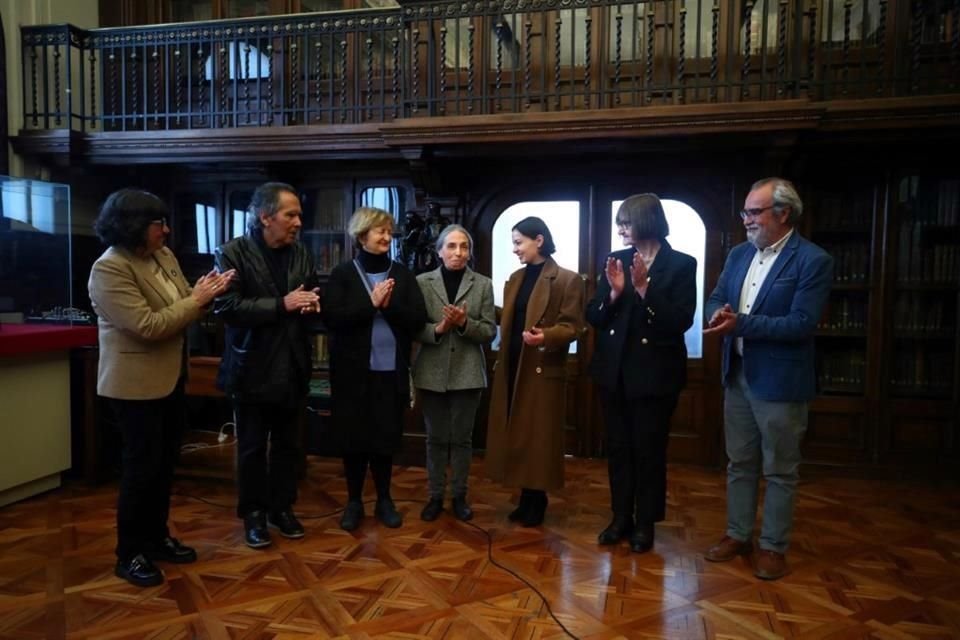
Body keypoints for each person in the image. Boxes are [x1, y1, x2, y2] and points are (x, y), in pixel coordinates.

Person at [88, 188, 234, 587]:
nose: (167, 231)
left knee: (164, 465)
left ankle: (155, 539)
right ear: (133, 224)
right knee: (140, 471)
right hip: (133, 388)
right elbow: (149, 327)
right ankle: (129, 552)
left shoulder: (162, 256)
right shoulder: (110, 269)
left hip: (170, 379)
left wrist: (205, 292)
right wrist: (196, 299)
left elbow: (182, 302)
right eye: (159, 224)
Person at [703, 177, 833, 580]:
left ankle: (774, 547)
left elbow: (800, 323)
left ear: (784, 213)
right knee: (739, 462)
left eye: (755, 212)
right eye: (745, 212)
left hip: (780, 382)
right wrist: (715, 314)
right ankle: (738, 534)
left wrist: (740, 324)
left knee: (779, 469)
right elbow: (716, 295)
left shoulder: (812, 260)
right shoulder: (739, 253)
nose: (747, 220)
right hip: (737, 375)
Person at [586, 194, 697, 553]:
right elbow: (595, 317)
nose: (619, 229)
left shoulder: (681, 264)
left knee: (648, 450)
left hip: (655, 376)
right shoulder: (614, 260)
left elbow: (680, 321)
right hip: (614, 373)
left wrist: (645, 289)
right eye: (619, 223)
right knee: (618, 449)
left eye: (626, 222)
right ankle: (620, 517)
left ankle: (645, 522)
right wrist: (615, 294)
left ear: (647, 221)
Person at [214, 182, 321, 549]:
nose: (298, 222)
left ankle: (282, 508)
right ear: (265, 217)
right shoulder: (231, 253)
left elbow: (310, 293)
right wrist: (283, 305)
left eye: (299, 215)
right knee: (253, 448)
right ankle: (254, 515)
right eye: (291, 214)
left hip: (293, 365)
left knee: (289, 447)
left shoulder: (302, 254)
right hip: (251, 368)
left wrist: (312, 306)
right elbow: (226, 308)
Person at [323, 207, 427, 531]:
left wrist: (388, 304)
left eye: (388, 231)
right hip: (352, 375)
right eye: (379, 231)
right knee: (353, 440)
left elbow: (417, 320)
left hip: (390, 371)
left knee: (384, 438)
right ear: (361, 236)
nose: (386, 237)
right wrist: (370, 305)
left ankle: (384, 498)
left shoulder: (403, 274)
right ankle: (354, 501)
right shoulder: (342, 274)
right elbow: (333, 320)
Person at [485, 216, 584, 527]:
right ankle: (526, 497)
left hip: (542, 367)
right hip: (513, 365)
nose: (515, 249)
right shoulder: (515, 278)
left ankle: (537, 499)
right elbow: (512, 319)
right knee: (517, 433)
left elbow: (573, 326)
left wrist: (547, 337)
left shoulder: (567, 279)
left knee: (537, 438)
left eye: (518, 242)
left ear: (539, 240)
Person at [412, 224, 497, 522]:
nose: (458, 252)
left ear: (470, 252)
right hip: (431, 371)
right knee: (435, 438)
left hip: (468, 373)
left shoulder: (483, 284)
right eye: (451, 246)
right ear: (439, 252)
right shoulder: (422, 283)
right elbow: (412, 327)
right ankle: (435, 496)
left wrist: (463, 324)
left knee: (461, 439)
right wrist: (439, 328)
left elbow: (489, 331)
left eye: (464, 247)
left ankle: (459, 496)